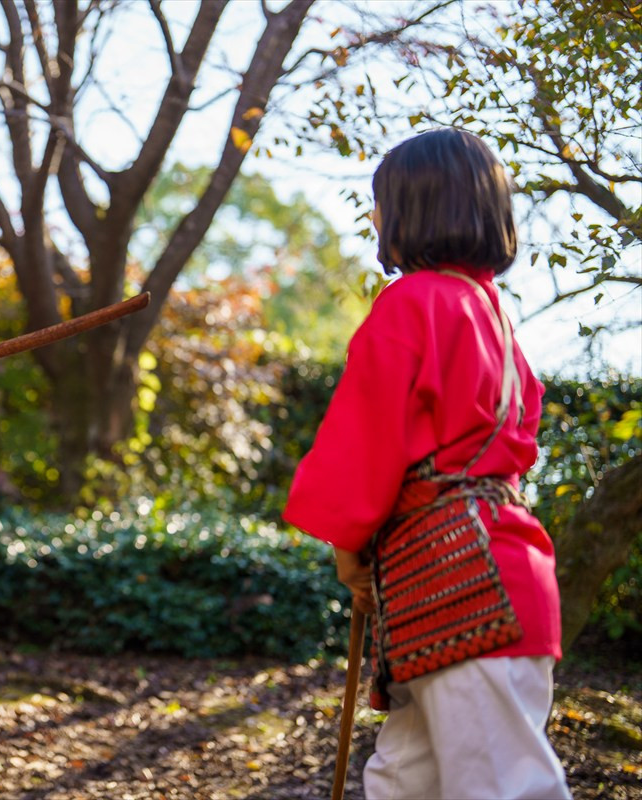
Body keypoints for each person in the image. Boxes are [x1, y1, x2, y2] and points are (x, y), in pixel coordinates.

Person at [283, 129, 570, 799]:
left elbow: (366, 437)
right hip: (483, 576)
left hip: (463, 585)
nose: (375, 219)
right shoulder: (495, 320)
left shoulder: (413, 305)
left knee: (501, 788)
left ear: (416, 208)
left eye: (380, 202)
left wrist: (349, 547)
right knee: (406, 781)